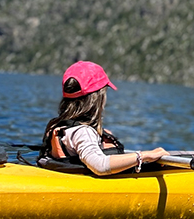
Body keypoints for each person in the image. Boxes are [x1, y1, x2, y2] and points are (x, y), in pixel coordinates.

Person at [38, 60, 167, 176]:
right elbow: (100, 165)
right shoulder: (83, 132)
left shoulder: (59, 126)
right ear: (97, 99)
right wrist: (145, 155)